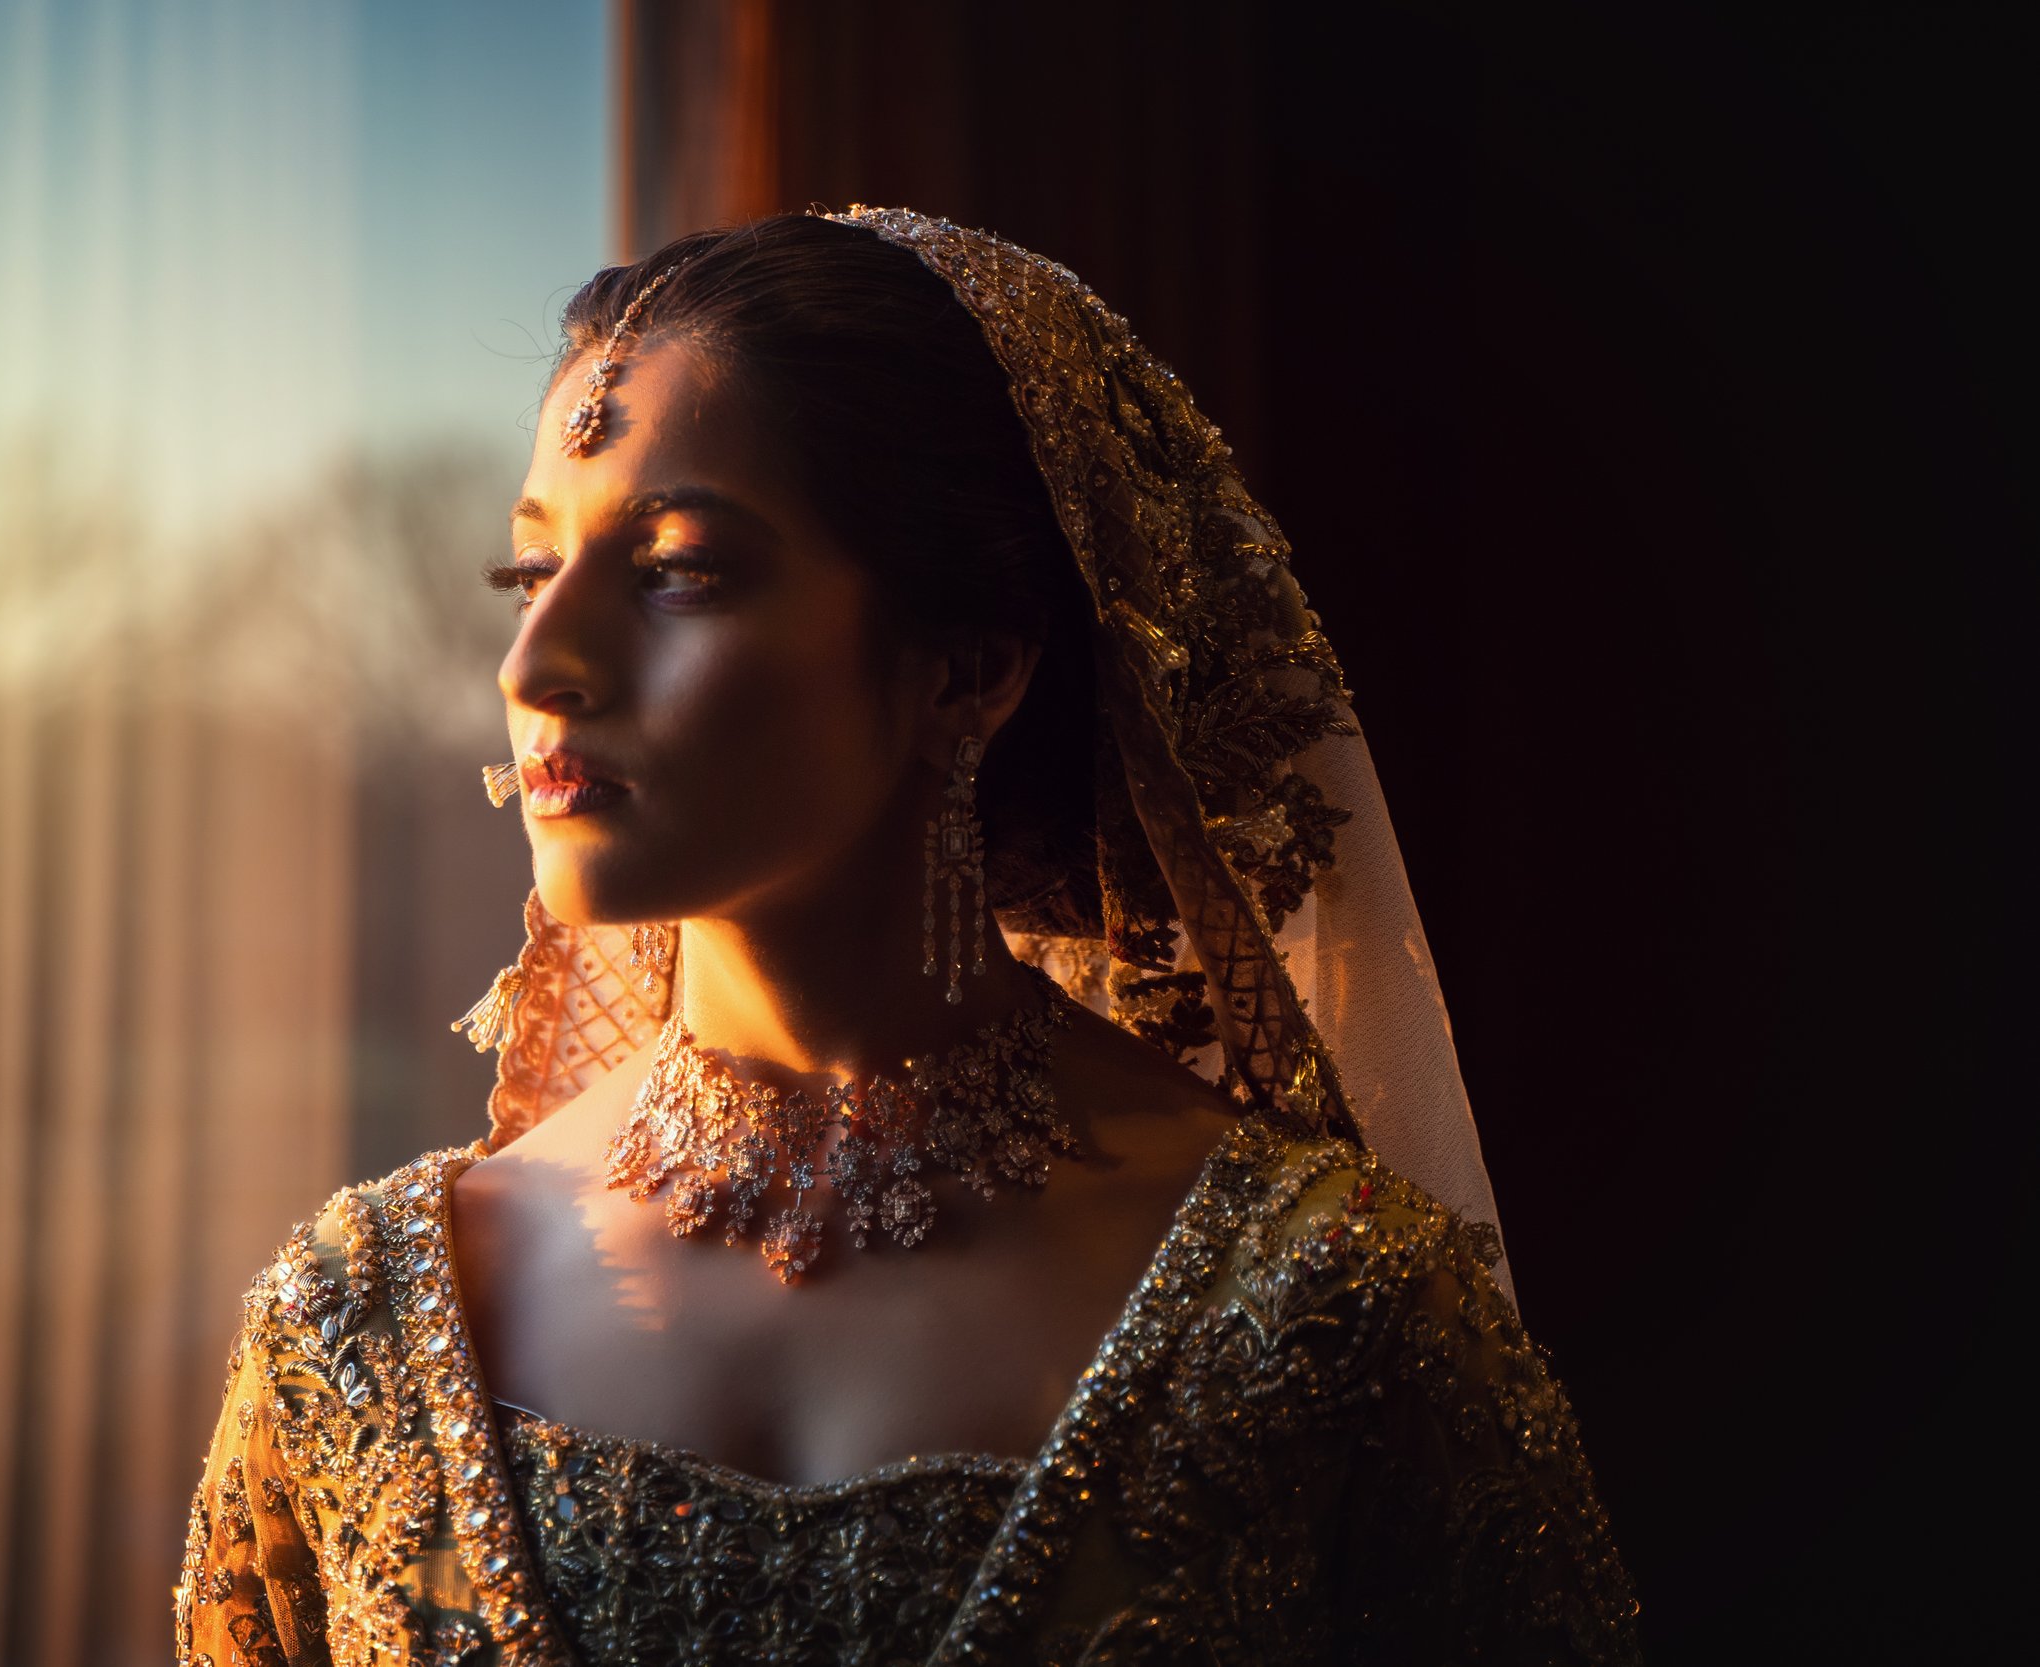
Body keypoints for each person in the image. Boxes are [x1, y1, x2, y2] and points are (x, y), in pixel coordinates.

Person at [175, 207, 1640, 1666]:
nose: (535, 663)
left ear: (968, 669)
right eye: (529, 574)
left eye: (678, 570)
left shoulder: (1329, 1312)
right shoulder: (362, 1326)